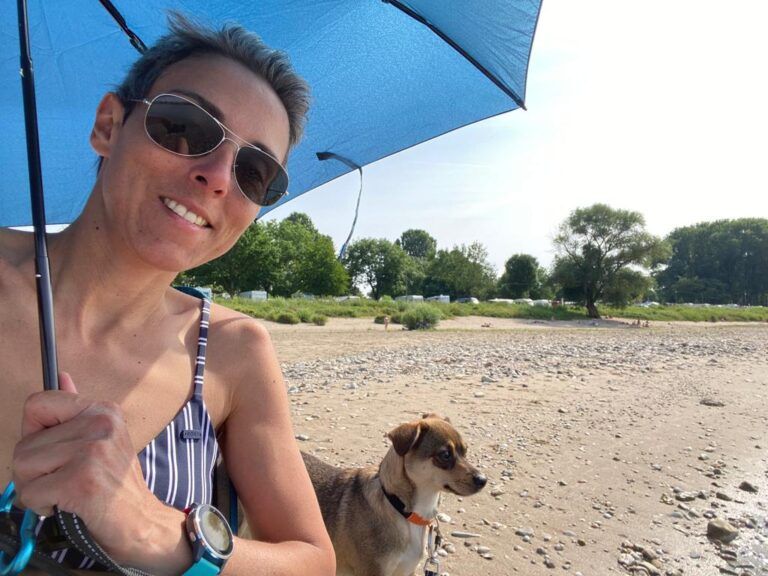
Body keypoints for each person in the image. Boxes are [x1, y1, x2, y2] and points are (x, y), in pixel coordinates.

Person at [0, 13, 335, 576]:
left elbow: (313, 562)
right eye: (185, 127)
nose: (219, 176)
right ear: (109, 125)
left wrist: (152, 529)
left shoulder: (234, 351)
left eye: (255, 172)